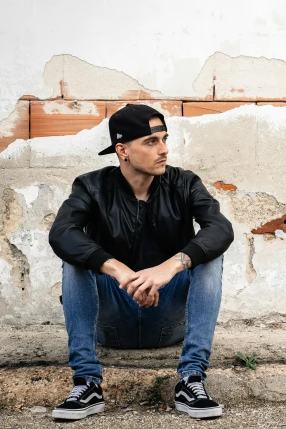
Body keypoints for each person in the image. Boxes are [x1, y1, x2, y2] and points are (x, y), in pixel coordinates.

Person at [48, 104, 234, 420]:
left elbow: (220, 228)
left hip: (168, 318)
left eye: (164, 139)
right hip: (109, 321)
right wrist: (116, 268)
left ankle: (191, 380)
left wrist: (170, 266)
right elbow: (62, 232)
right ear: (122, 150)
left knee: (208, 257)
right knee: (75, 258)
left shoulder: (185, 183)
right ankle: (87, 382)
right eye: (151, 142)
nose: (164, 150)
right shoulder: (91, 186)